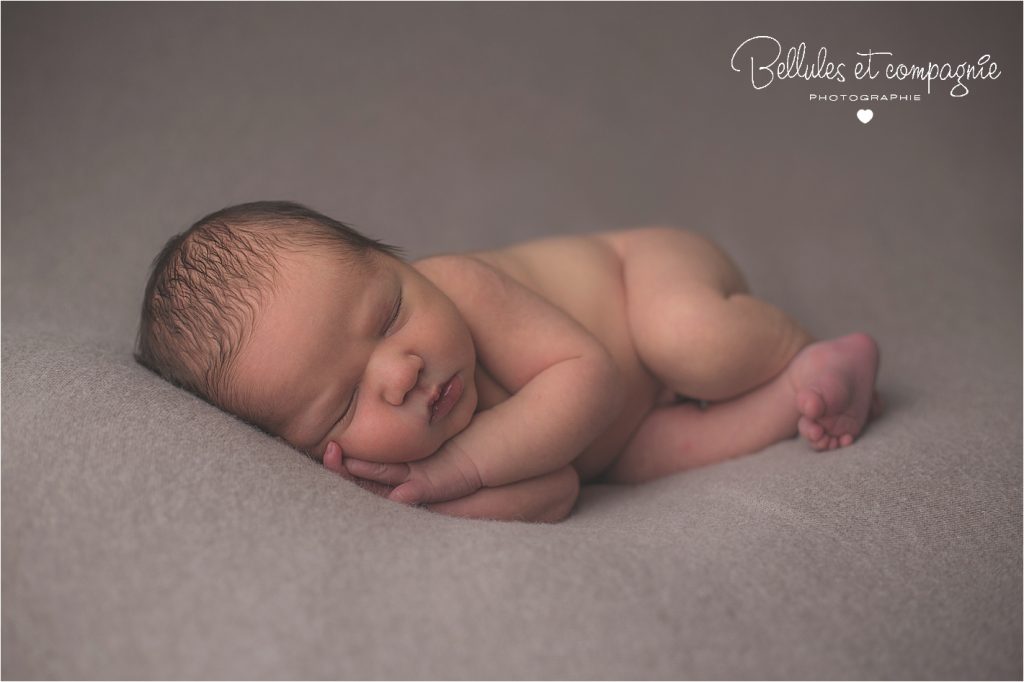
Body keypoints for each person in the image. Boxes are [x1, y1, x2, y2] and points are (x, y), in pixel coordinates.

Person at [136, 201, 882, 522]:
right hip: (613, 434)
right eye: (340, 407)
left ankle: (793, 345)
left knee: (690, 341)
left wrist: (458, 470)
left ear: (399, 263)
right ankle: (802, 390)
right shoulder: (398, 458)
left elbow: (588, 378)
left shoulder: (458, 284)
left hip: (641, 281)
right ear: (308, 450)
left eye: (390, 313)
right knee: (648, 458)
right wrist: (427, 496)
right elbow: (557, 487)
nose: (399, 373)